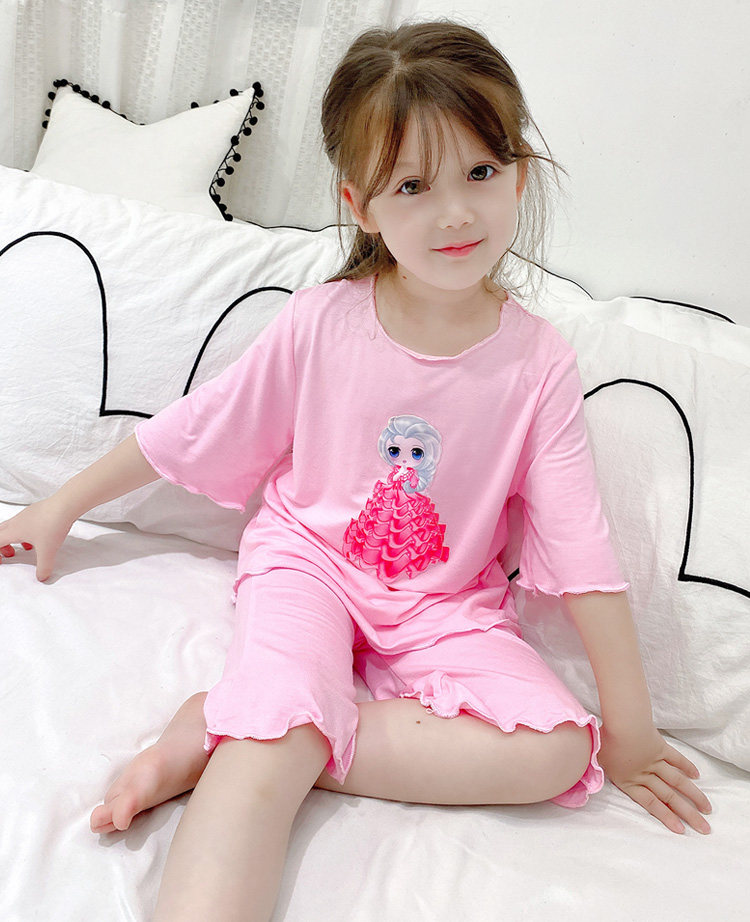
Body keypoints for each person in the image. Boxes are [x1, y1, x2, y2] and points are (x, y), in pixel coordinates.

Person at [0, 19, 712, 922]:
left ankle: (232, 721)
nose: (454, 214)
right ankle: (266, 727)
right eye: (412, 185)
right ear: (361, 205)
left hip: (444, 606)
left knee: (558, 750)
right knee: (274, 744)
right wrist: (63, 504)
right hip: (310, 566)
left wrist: (632, 732)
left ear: (519, 176)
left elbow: (582, 551)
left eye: (480, 173)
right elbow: (198, 426)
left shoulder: (539, 366)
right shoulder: (321, 322)